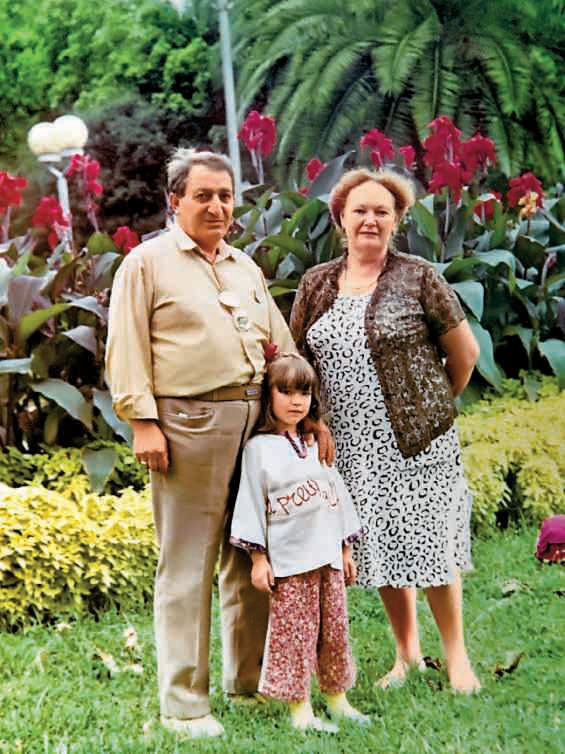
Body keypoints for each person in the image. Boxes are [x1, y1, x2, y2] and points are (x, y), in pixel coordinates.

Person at [106, 148, 311, 738]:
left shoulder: (244, 267)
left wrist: (304, 415)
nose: (217, 206)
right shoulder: (146, 264)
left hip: (255, 423)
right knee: (187, 563)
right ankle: (184, 704)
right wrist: (143, 422)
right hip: (186, 425)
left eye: (225, 196)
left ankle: (248, 683)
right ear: (175, 200)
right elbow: (125, 347)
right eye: (203, 196)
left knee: (250, 555)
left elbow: (281, 346)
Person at [290, 168, 481, 694]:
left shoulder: (419, 276)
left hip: (418, 440)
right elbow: (298, 361)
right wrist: (312, 421)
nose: (370, 220)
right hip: (349, 443)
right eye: (360, 210)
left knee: (431, 541)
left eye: (382, 211)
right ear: (341, 219)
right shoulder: (316, 284)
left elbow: (465, 354)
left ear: (397, 220)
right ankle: (406, 655)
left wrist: (432, 404)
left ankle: (457, 658)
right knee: (382, 540)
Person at [230, 352, 368, 731]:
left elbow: (336, 496)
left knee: (334, 632)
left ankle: (338, 700)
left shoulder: (315, 443)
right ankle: (300, 710)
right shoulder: (258, 450)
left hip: (328, 559)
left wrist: (345, 550)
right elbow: (251, 504)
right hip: (291, 564)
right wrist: (259, 560)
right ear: (269, 396)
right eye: (286, 392)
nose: (296, 401)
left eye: (304, 393)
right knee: (295, 636)